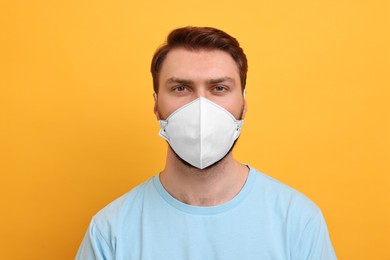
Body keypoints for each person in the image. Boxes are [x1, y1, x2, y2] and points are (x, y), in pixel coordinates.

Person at [76, 26, 336, 259]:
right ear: (156, 105)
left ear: (243, 104)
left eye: (219, 88)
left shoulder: (298, 222)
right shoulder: (110, 231)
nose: (201, 107)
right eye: (181, 88)